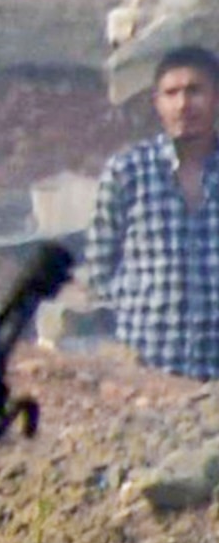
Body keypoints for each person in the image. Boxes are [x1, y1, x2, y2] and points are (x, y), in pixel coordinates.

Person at [88, 44, 219, 381]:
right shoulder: (128, 171)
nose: (183, 104)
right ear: (157, 103)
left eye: (195, 91)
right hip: (148, 370)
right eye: (171, 93)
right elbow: (100, 269)